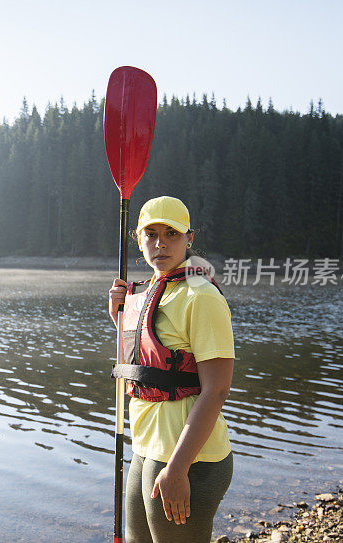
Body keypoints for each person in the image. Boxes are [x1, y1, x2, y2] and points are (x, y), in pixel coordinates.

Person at [108, 196, 235, 543]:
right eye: (150, 233)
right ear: (137, 237)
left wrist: (178, 469)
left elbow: (217, 389)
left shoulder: (201, 297)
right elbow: (143, 362)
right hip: (147, 447)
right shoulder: (146, 292)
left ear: (189, 238)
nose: (160, 243)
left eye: (172, 233)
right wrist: (119, 317)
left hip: (191, 459)